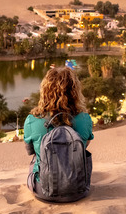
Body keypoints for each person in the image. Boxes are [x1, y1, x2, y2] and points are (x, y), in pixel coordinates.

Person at [24, 67, 93, 197]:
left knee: (36, 159)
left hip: (43, 191)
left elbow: (30, 151)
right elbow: (85, 145)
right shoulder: (84, 119)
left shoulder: (32, 120)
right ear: (75, 91)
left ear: (45, 91)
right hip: (78, 190)